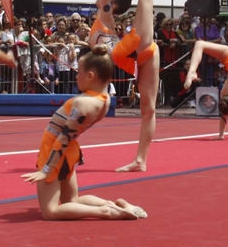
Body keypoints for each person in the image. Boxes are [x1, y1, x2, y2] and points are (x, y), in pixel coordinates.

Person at [21, 44, 147, 221]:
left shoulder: (83, 104)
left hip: (55, 149)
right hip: (70, 150)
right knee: (72, 200)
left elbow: (62, 139)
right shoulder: (105, 100)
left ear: (90, 76)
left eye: (78, 71)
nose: (75, 75)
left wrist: (46, 169)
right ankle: (113, 204)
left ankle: (106, 211)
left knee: (50, 211)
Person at [90, 0, 160, 173]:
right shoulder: (105, 10)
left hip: (136, 55)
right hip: (121, 53)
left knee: (149, 109)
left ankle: (140, 159)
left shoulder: (107, 11)